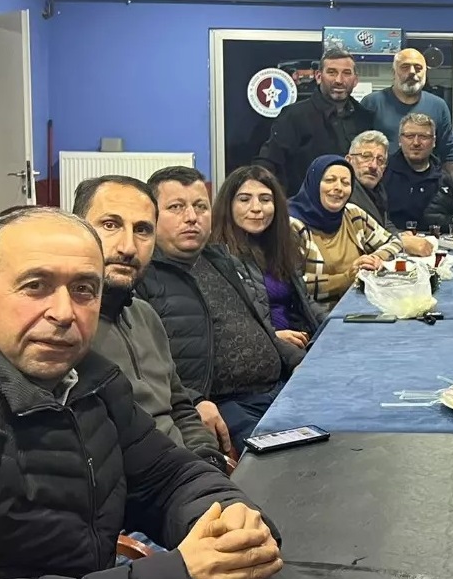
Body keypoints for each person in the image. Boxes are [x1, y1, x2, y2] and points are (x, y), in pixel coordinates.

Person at [0, 206, 282, 579]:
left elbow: (168, 476)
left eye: (83, 289)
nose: (63, 312)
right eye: (35, 286)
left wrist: (227, 522)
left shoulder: (90, 381)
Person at [137, 166, 304, 453]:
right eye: (176, 207)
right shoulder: (143, 277)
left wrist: (300, 362)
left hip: (278, 388)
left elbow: (261, 328)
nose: (192, 217)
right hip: (225, 404)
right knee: (289, 464)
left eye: (200, 206)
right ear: (152, 216)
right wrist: (193, 400)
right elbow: (141, 369)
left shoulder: (218, 260)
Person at [73, 175, 230, 467]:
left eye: (142, 230)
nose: (128, 247)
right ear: (78, 230)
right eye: (110, 225)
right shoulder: (63, 328)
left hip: (187, 472)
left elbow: (180, 408)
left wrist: (208, 460)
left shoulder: (145, 315)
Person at [209, 165, 323, 349]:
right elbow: (222, 326)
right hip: (259, 352)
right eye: (244, 199)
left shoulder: (282, 244)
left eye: (265, 199)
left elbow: (304, 301)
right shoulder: (217, 256)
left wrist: (334, 323)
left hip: (297, 343)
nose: (256, 208)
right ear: (228, 205)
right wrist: (273, 337)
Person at [288, 155, 399, 315]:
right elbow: (294, 288)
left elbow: (394, 242)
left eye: (345, 183)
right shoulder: (293, 225)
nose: (339, 188)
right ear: (314, 183)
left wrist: (375, 259)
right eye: (330, 180)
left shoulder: (352, 214)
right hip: (318, 317)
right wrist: (347, 278)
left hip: (362, 306)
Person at [255, 48, 374, 196]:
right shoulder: (294, 116)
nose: (339, 80)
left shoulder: (365, 118)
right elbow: (269, 163)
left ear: (355, 80)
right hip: (304, 206)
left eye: (346, 73)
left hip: (354, 205)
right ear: (318, 76)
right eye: (332, 72)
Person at [345, 129, 433, 257]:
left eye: (380, 160)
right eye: (366, 156)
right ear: (349, 160)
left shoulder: (378, 190)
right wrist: (401, 242)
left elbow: (384, 223)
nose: (373, 166)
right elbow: (364, 235)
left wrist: (399, 234)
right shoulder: (346, 190)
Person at [360, 47, 452, 161]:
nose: (412, 72)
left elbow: (448, 153)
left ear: (425, 73)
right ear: (394, 72)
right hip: (381, 171)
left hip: (426, 172)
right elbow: (359, 147)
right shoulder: (371, 103)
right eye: (405, 67)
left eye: (418, 68)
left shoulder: (438, 106)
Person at [383, 112, 444, 235]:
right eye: (409, 136)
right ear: (400, 140)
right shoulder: (383, 172)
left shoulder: (445, 178)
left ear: (434, 141)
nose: (416, 142)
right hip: (393, 239)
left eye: (423, 137)